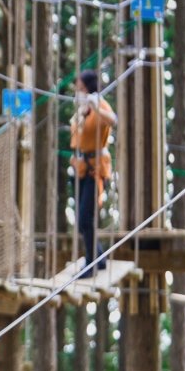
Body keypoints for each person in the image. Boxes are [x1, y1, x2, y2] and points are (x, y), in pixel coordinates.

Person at [69, 69, 116, 276]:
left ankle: (91, 264)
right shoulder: (83, 109)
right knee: (81, 219)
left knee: (85, 219)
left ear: (88, 88)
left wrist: (97, 107)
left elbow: (113, 120)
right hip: (80, 168)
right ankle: (99, 258)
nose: (77, 92)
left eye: (79, 88)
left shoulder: (99, 106)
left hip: (95, 170)